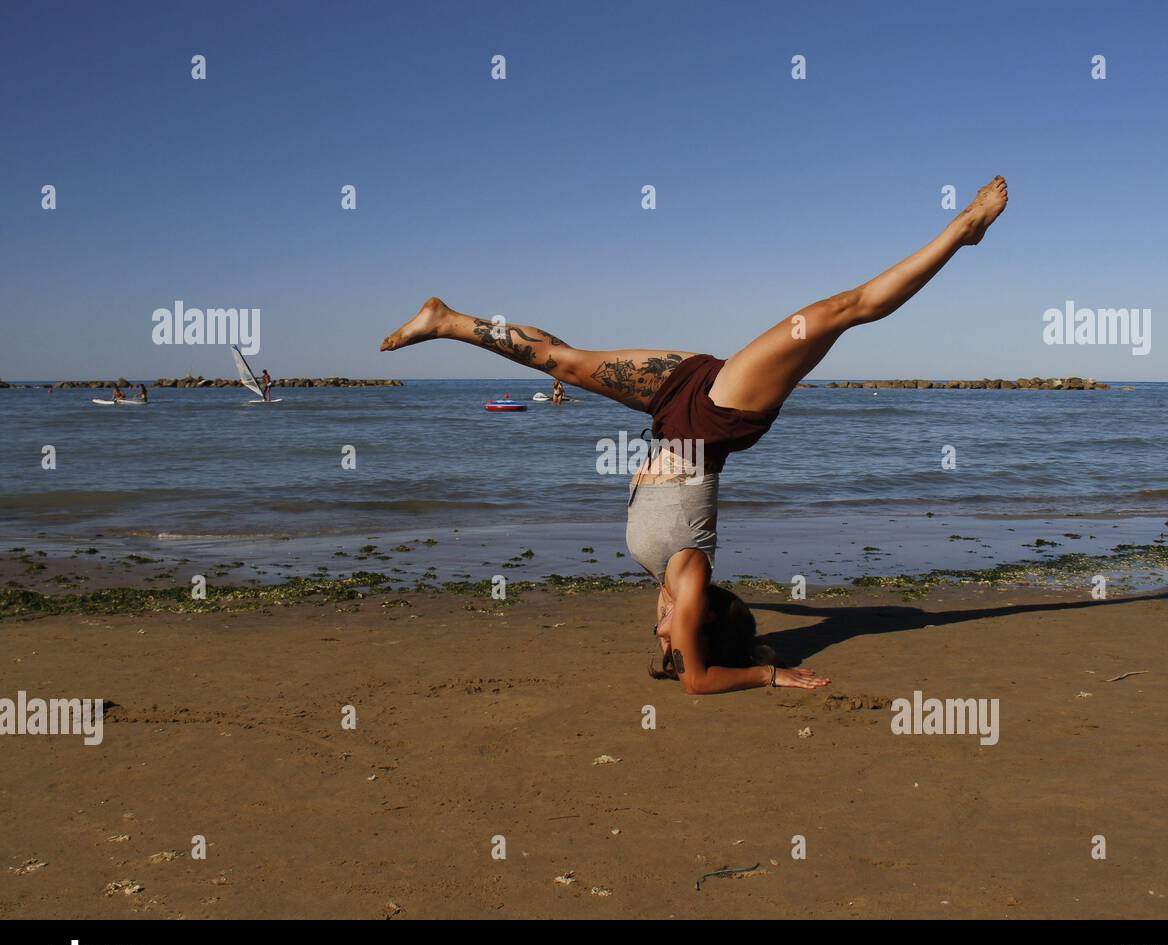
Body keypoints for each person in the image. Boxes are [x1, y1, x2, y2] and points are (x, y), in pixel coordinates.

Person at [380, 177, 1008, 694]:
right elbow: (697, 680)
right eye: (673, 632)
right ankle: (961, 231)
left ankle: (447, 320)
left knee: (566, 363)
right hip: (719, 413)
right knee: (843, 310)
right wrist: (767, 671)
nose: (662, 630)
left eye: (664, 636)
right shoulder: (690, 577)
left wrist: (756, 639)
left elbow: (686, 666)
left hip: (676, 408)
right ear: (698, 619)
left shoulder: (661, 572)